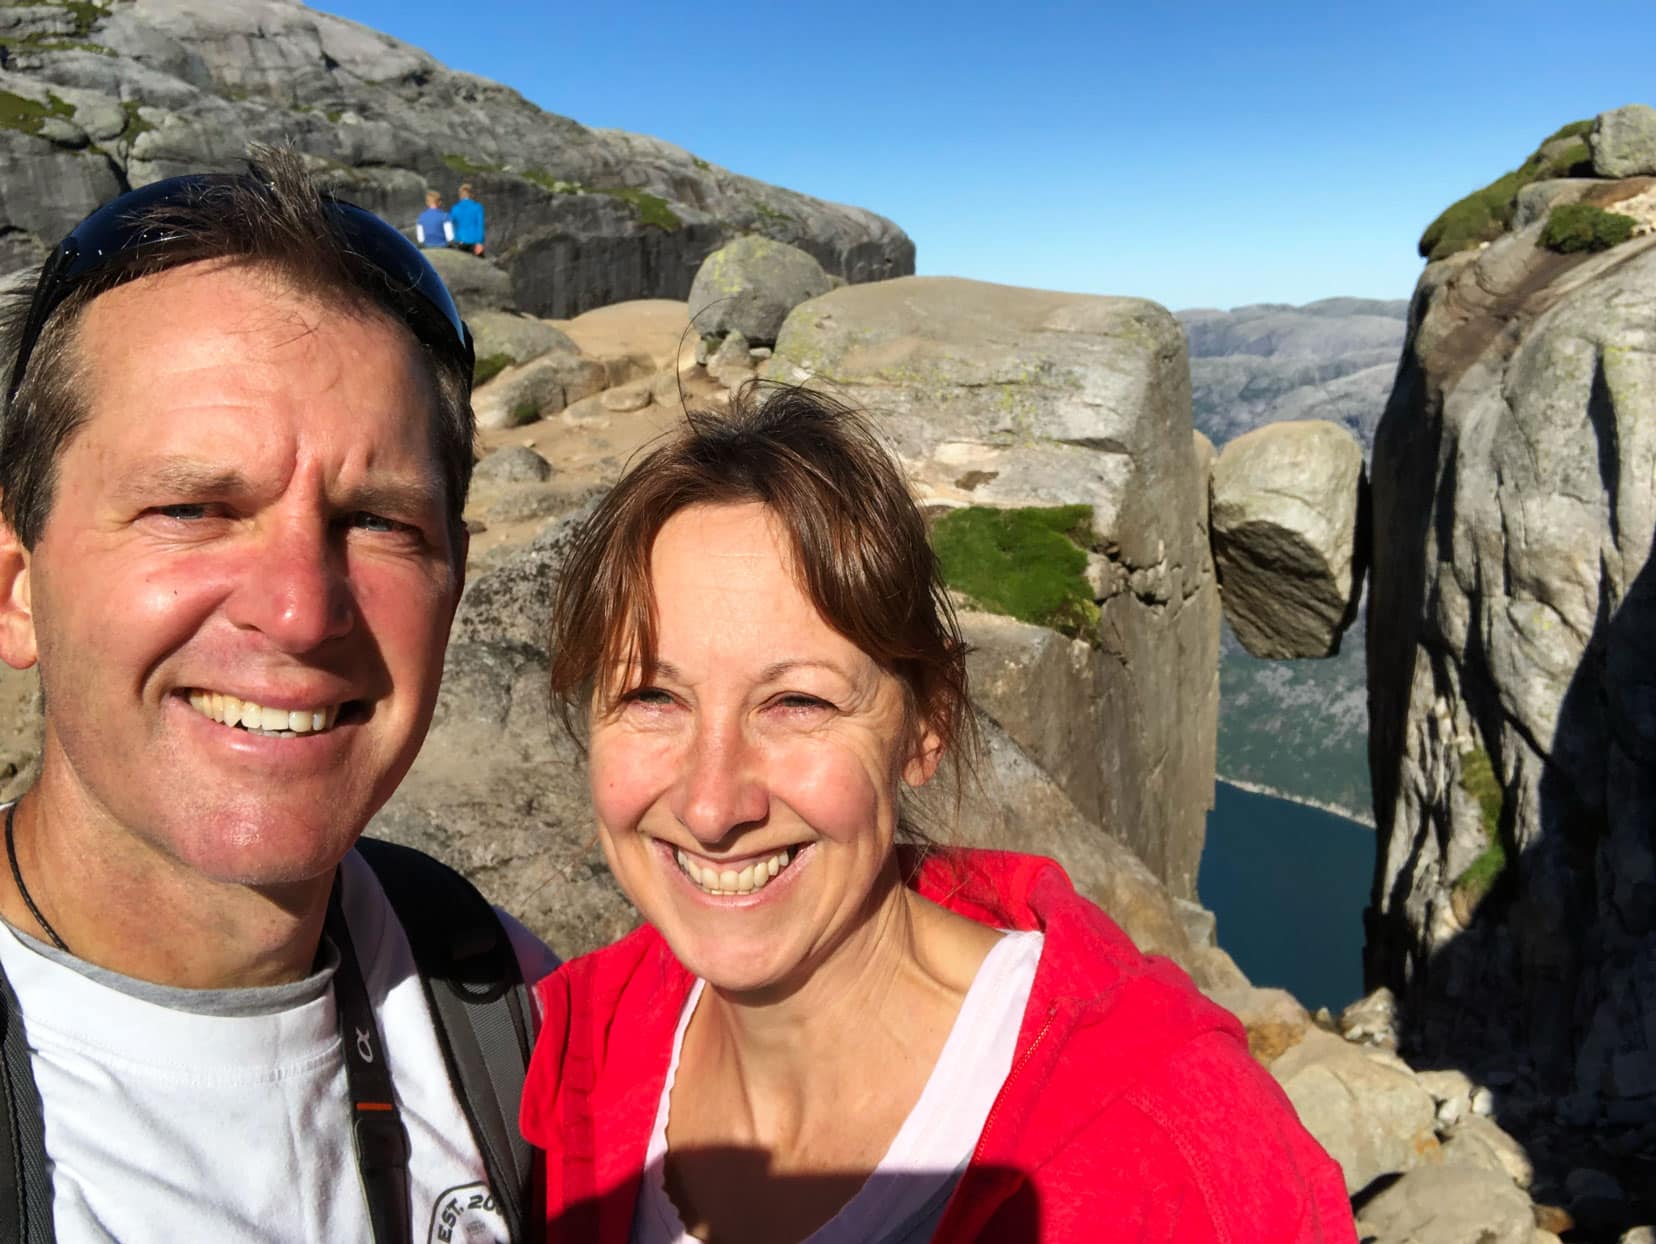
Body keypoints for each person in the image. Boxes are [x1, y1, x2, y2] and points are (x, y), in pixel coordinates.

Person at [521, 385, 1357, 1242]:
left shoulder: (1172, 1150)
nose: (710, 805)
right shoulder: (583, 1045)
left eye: (799, 703)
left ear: (929, 723)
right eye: (653, 696)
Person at [0, 147, 557, 1241]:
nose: (302, 610)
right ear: (18, 589)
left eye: (382, 521)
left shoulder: (499, 991)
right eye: (194, 506)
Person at [450, 182, 486, 257]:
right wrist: (479, 242)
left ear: (460, 195)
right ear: (471, 194)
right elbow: (480, 226)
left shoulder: (455, 208)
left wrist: (455, 237)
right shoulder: (478, 207)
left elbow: (450, 224)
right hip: (474, 241)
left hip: (460, 241)